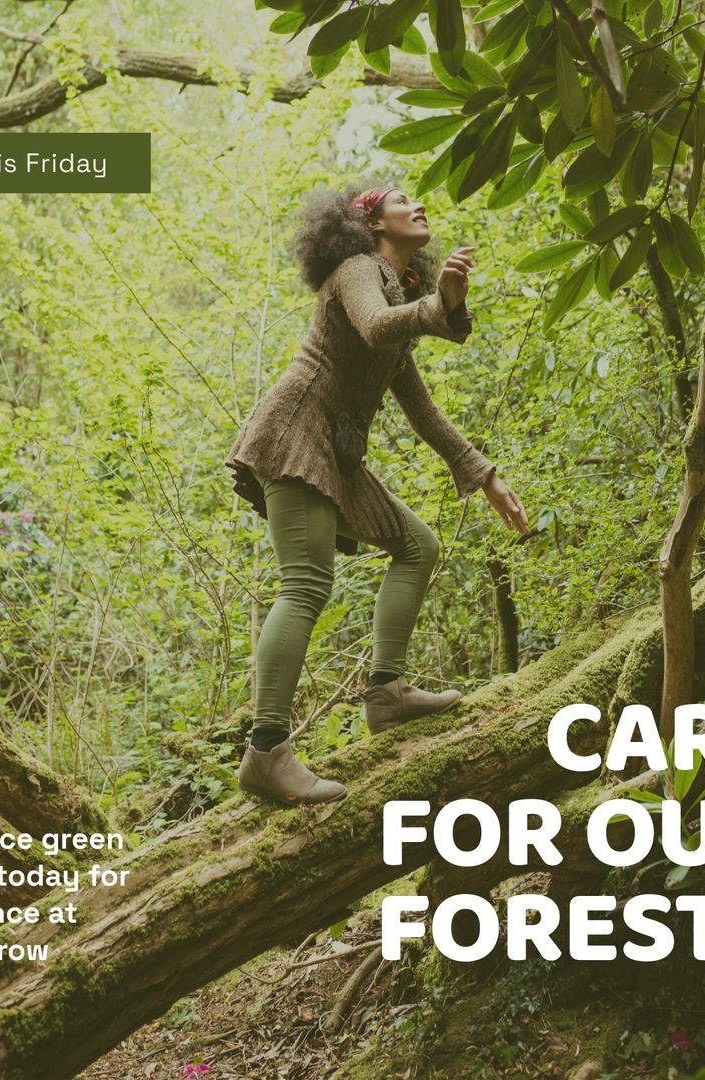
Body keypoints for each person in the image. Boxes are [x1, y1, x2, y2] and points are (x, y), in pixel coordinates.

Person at [225, 182, 531, 807]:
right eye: (402, 199)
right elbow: (373, 326)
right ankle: (265, 752)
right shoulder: (357, 269)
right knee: (305, 585)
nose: (419, 204)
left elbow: (421, 410)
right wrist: (440, 308)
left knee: (417, 547)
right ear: (370, 225)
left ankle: (387, 698)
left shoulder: (397, 293)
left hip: (333, 450)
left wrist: (485, 475)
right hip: (296, 433)